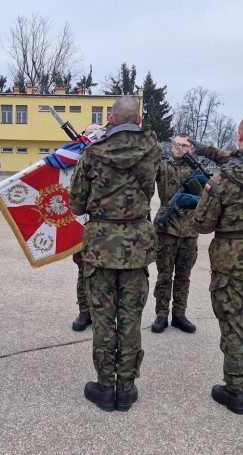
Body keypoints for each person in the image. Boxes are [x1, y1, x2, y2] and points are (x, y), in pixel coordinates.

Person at [182, 113, 243, 416]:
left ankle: (235, 391)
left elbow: (202, 223)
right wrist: (202, 148)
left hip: (230, 259)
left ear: (240, 135)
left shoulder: (223, 179)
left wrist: (196, 201)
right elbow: (238, 158)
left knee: (234, 326)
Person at [69, 96, 161, 412]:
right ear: (138, 120)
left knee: (105, 320)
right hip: (137, 246)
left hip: (100, 246)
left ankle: (105, 387)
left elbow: (76, 203)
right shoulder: (153, 150)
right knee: (131, 320)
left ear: (110, 118)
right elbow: (151, 190)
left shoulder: (93, 154)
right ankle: (127, 386)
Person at [150, 133, 199, 334]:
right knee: (164, 275)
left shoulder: (197, 171)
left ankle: (179, 315)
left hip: (189, 229)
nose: (180, 148)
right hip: (166, 227)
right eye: (176, 145)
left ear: (191, 149)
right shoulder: (163, 167)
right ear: (171, 148)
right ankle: (161, 315)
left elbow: (207, 194)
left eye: (185, 145)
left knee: (183, 276)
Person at [71, 123, 102, 332]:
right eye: (90, 133)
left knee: (104, 274)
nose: (94, 137)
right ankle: (85, 312)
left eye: (98, 134)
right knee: (84, 272)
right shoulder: (73, 159)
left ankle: (101, 312)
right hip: (80, 225)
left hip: (104, 228)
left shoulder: (109, 159)